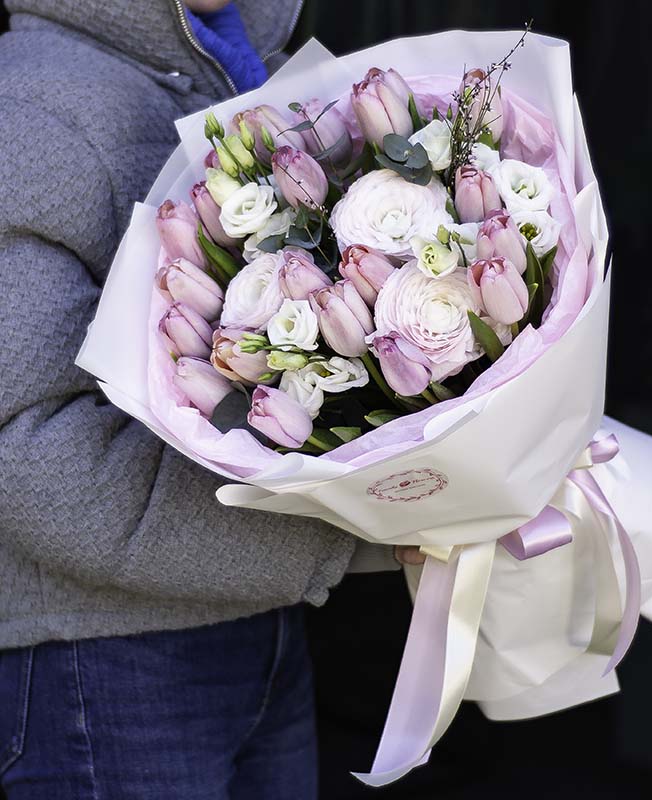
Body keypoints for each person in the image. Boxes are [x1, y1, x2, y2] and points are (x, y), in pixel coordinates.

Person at [0, 1, 420, 797]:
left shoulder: (235, 77)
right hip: (105, 664)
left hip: (258, 632)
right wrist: (350, 531)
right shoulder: (27, 108)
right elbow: (28, 455)